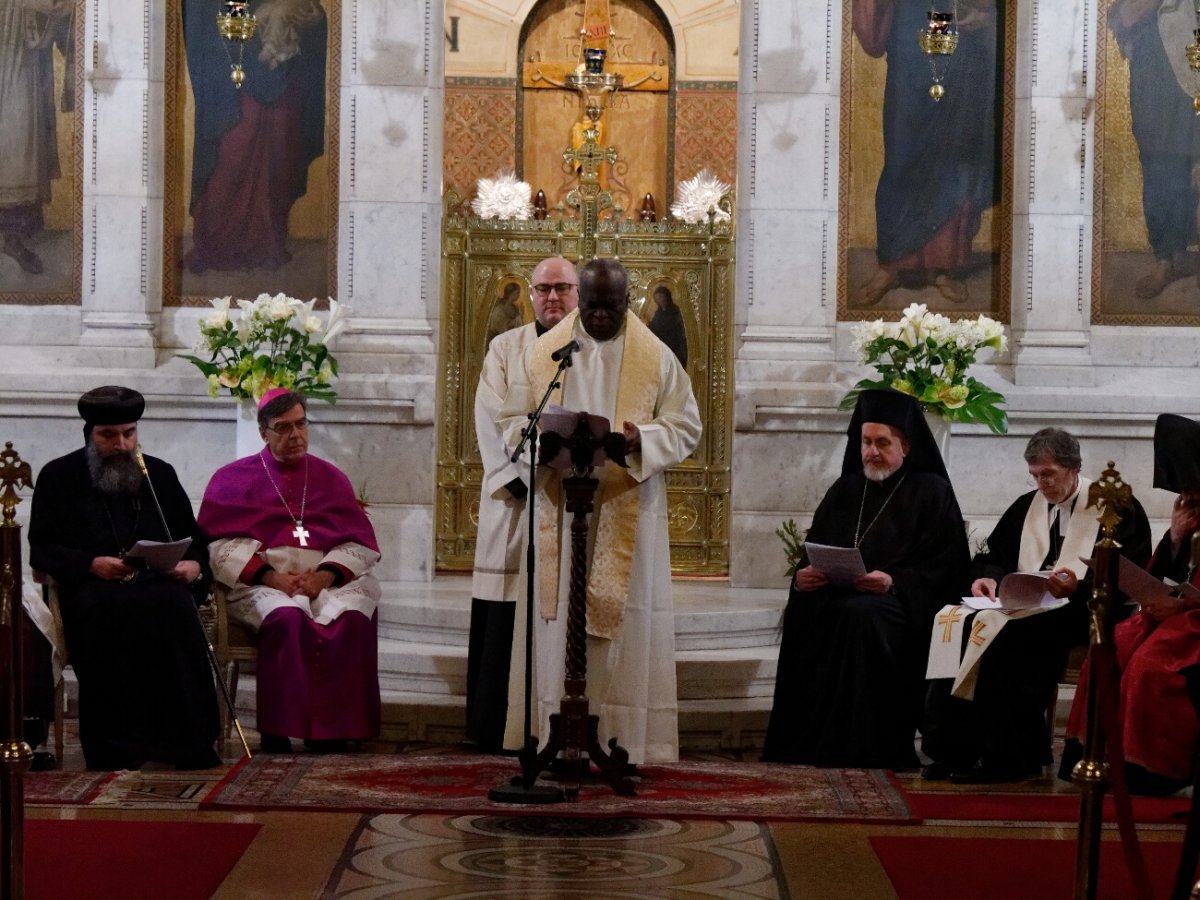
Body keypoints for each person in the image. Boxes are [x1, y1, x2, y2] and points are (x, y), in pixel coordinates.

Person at [499, 258, 702, 765]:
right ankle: (554, 736)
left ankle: (624, 740)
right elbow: (511, 422)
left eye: (612, 307)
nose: (602, 316)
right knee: (558, 622)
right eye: (592, 307)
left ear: (628, 300)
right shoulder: (547, 353)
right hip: (560, 508)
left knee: (623, 624)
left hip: (625, 503)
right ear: (580, 302)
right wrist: (536, 447)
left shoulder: (655, 357)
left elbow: (686, 426)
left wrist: (641, 438)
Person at [922, 428, 1151, 783]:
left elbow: (1131, 573)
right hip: (1028, 606)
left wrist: (1079, 586)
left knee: (1009, 638)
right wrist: (988, 578)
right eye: (1035, 475)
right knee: (958, 622)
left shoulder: (1115, 507)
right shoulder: (1026, 506)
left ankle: (1009, 756)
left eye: (1048, 474)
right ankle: (954, 749)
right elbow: (993, 556)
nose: (1041, 484)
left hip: (1086, 611)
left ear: (1074, 469)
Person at [762, 389, 970, 768]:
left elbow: (948, 567)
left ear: (906, 446)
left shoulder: (931, 492)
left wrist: (894, 582)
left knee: (863, 616)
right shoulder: (846, 490)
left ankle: (868, 747)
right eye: (865, 441)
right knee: (813, 608)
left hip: (903, 606)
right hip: (842, 596)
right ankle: (809, 741)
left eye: (882, 443)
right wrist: (803, 577)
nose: (871, 451)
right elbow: (816, 548)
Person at [28, 386, 220, 770]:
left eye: (129, 433)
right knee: (112, 614)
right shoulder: (58, 476)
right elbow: (42, 549)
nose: (121, 444)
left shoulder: (159, 475)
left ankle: (187, 744)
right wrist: (90, 564)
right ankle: (117, 748)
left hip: (157, 584)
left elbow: (195, 541)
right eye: (109, 435)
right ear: (90, 434)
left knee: (176, 608)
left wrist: (193, 566)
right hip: (92, 590)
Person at [198, 389, 380, 752]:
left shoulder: (331, 478)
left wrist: (325, 576)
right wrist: (271, 577)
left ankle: (334, 733)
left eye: (301, 424)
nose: (295, 435)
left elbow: (360, 542)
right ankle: (278, 732)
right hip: (263, 581)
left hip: (325, 580)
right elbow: (215, 545)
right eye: (283, 428)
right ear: (264, 433)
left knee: (352, 622)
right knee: (286, 620)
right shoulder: (232, 479)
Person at [465, 256, 578, 752]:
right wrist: (516, 477)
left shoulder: (592, 350)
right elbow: (489, 414)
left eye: (562, 289)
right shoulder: (505, 347)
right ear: (529, 294)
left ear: (577, 294)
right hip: (514, 499)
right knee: (506, 602)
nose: (552, 298)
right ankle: (496, 727)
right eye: (543, 289)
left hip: (572, 499)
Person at [1062, 414, 1200, 795]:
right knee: (1108, 650)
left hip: (1193, 624)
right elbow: (1171, 571)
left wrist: (1183, 608)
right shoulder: (1189, 513)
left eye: (1192, 491)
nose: (1187, 499)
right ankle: (1095, 758)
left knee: (1151, 667)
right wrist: (1174, 538)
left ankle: (1147, 773)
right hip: (1171, 616)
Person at [852, 0, 999, 306]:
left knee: (951, 157)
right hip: (909, 32)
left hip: (958, 30)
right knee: (901, 156)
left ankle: (943, 267)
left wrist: (979, 11)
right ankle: (890, 264)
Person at [182, 0, 327, 273]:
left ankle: (267, 243)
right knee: (230, 158)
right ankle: (217, 244)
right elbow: (212, 15)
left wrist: (299, 16)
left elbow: (313, 15)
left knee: (276, 162)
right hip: (232, 79)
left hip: (283, 77)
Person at [1108, 0, 1200, 299]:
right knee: (1160, 168)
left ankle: (1183, 254)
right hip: (1155, 78)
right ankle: (1165, 259)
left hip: (1193, 66)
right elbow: (1124, 16)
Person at [0, 0, 73, 276]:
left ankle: (13, 237)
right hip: (10, 60)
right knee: (15, 138)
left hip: (25, 62)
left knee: (22, 143)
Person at [647, 285, 687, 368]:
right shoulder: (658, 313)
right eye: (657, 298)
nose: (659, 300)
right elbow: (654, 327)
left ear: (667, 296)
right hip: (662, 346)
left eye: (661, 297)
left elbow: (679, 331)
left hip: (675, 347)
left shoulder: (675, 311)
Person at [485, 281, 525, 349]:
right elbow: (503, 328)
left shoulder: (514, 307)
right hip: (497, 343)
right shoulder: (499, 309)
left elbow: (518, 325)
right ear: (511, 293)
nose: (519, 295)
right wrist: (518, 317)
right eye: (517, 292)